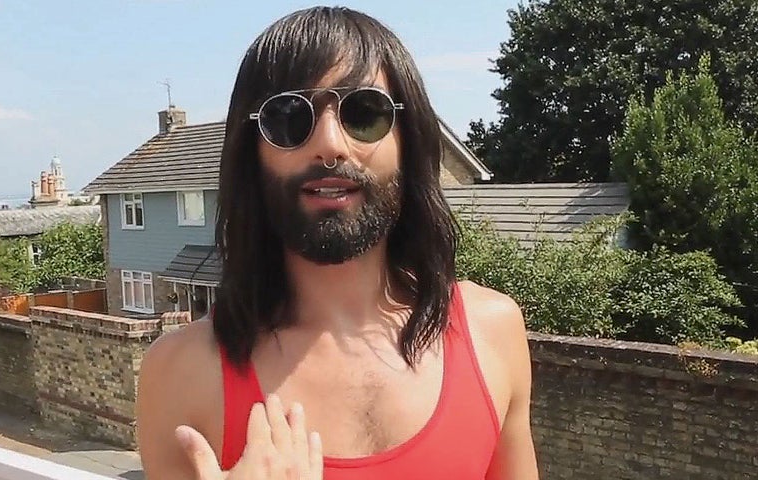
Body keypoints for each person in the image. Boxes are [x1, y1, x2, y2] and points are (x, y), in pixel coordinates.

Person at [136, 6, 539, 479]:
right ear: (252, 152)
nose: (330, 143)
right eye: (289, 118)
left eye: (364, 114)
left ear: (408, 141)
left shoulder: (493, 331)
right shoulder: (181, 373)